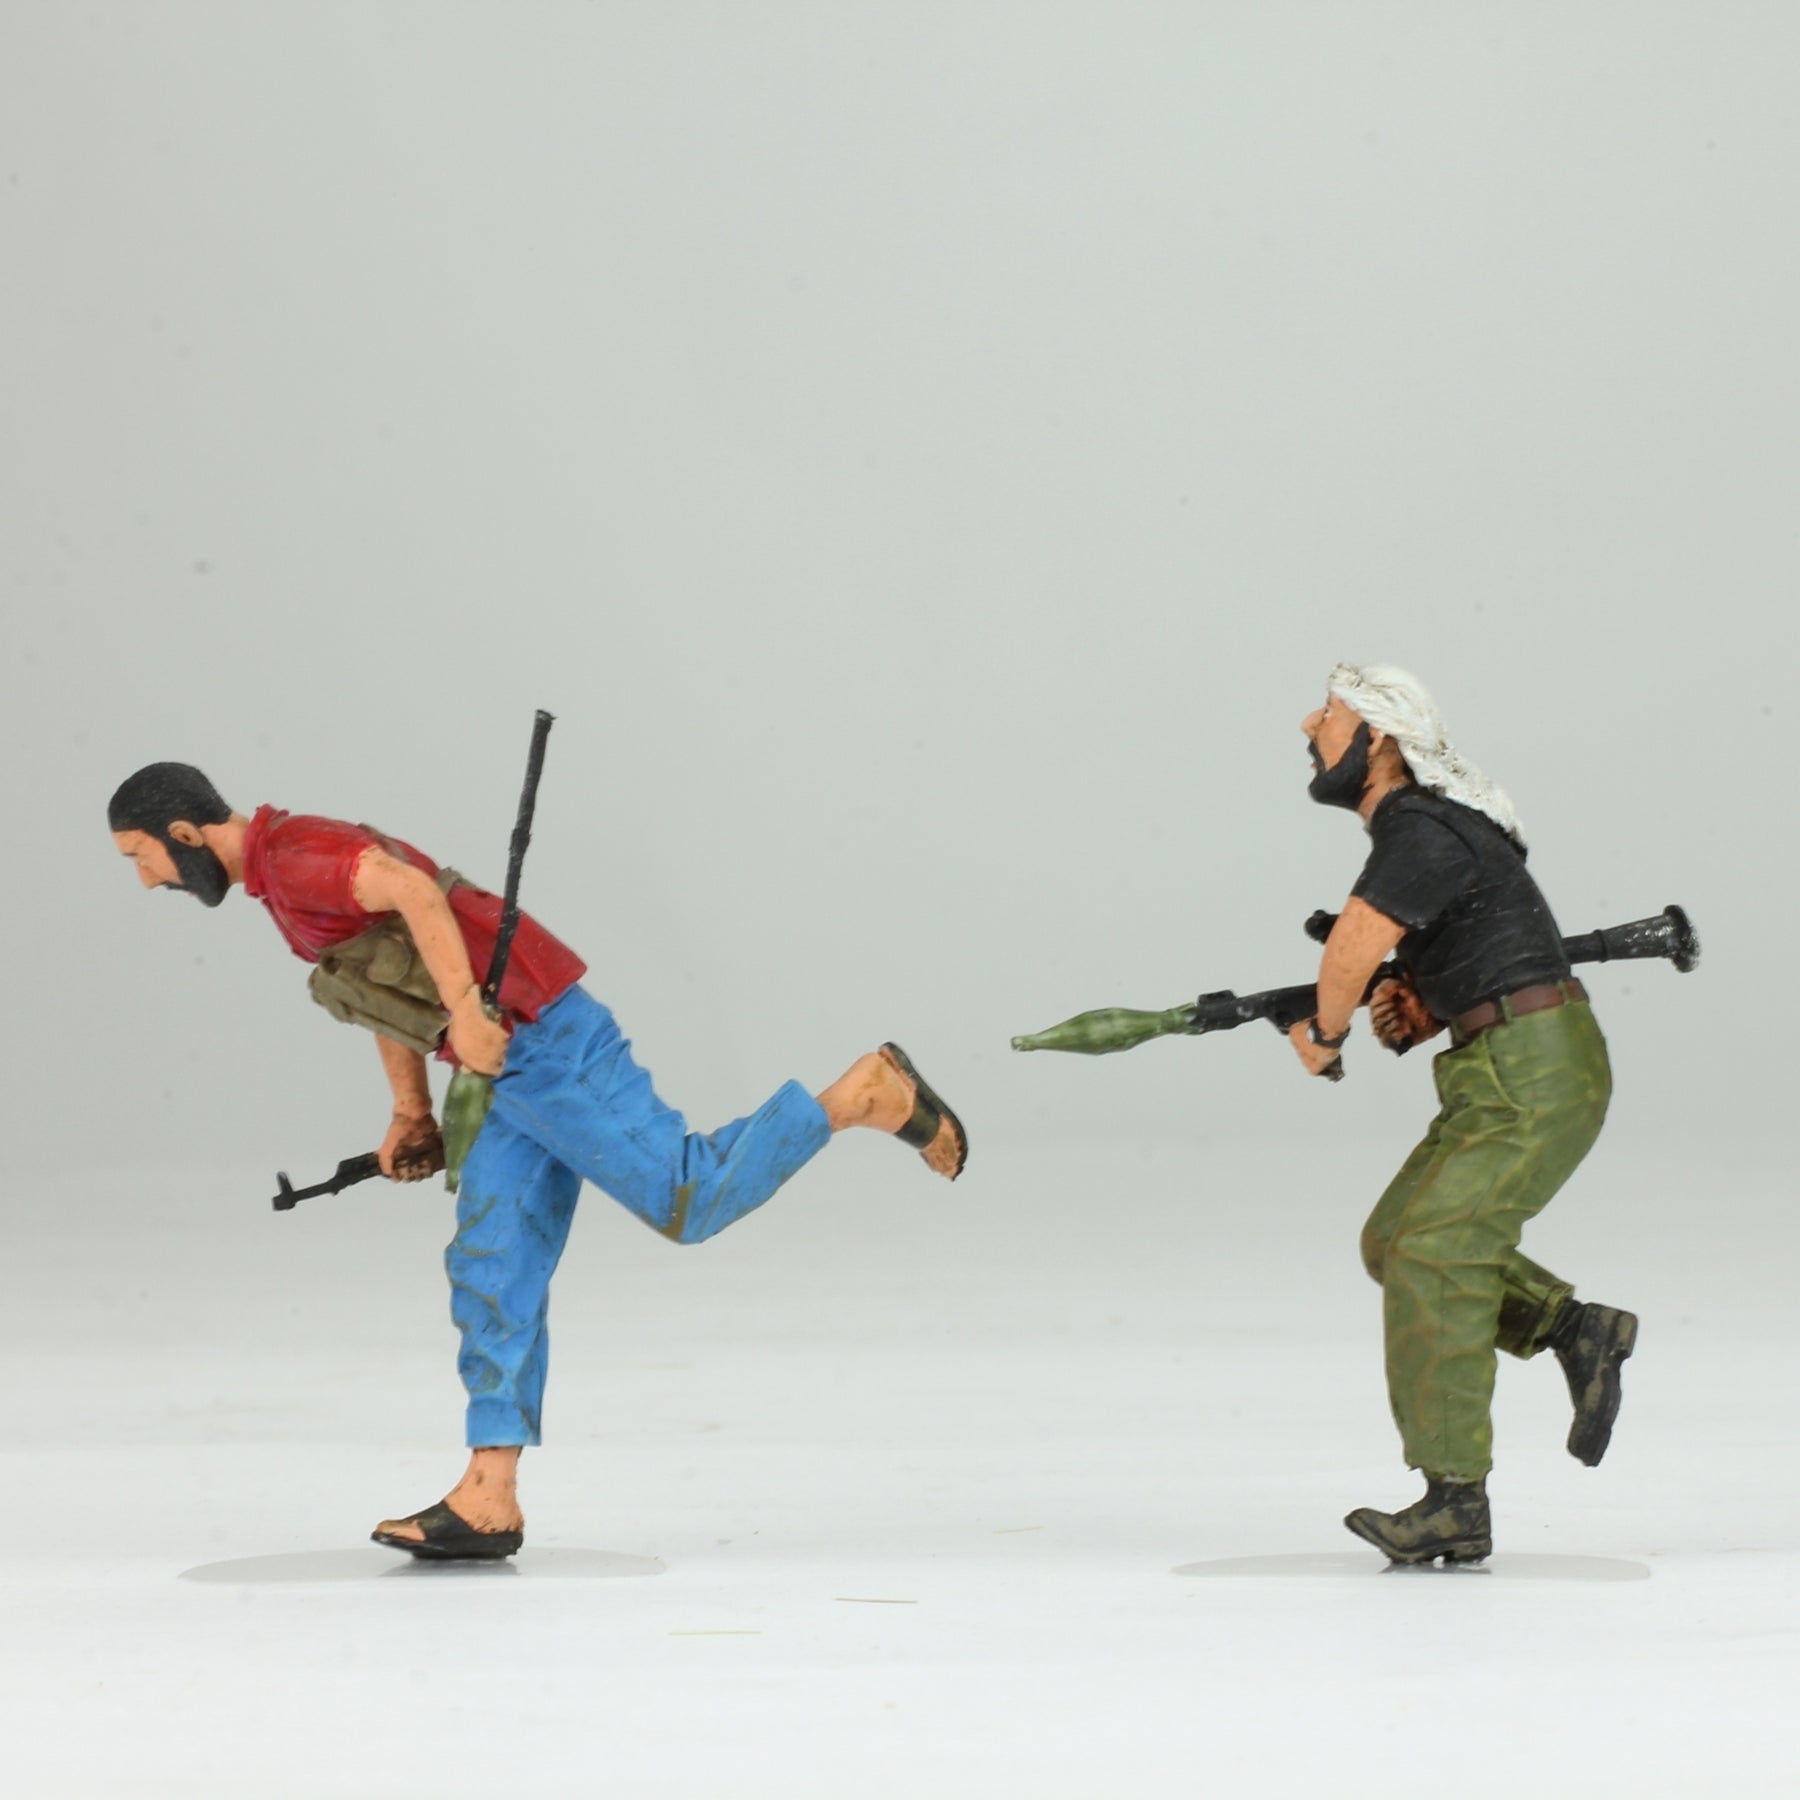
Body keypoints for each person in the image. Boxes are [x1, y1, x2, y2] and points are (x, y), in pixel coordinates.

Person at [109, 761, 966, 1560]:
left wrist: (465, 1010)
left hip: (543, 1039)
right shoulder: (280, 882)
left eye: (141, 857)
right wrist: (411, 1111)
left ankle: (860, 1097)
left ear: (183, 835)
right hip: (500, 1073)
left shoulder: (298, 857)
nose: (146, 880)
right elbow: (378, 984)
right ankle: (490, 1495)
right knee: (493, 1261)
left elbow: (411, 891)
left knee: (688, 1197)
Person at [1290, 665, 1636, 1565]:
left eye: (1330, 714)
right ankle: (1575, 1329)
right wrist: (1425, 1006)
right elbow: (1479, 949)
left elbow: (1356, 940)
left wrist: (1324, 1032)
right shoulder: (1430, 830)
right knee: (1396, 1241)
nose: (1309, 725)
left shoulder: (1420, 824)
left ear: (1380, 741)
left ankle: (1454, 1501)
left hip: (1533, 1068)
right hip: (1501, 1064)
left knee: (1437, 1252)